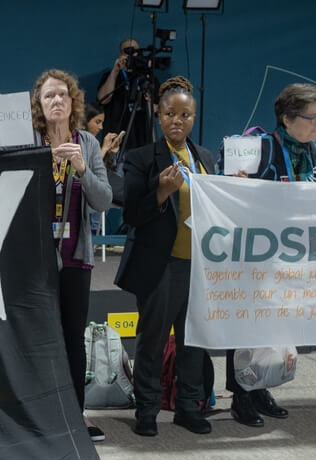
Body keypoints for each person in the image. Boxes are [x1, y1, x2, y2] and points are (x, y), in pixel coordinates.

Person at [0, 70, 112, 441]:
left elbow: (103, 199)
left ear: (73, 103)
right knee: (30, 334)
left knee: (72, 337)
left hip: (74, 257)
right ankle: (33, 413)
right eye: (49, 96)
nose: (57, 101)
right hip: (31, 259)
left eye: (63, 96)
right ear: (38, 106)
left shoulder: (86, 142)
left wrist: (83, 169)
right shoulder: (27, 141)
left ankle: (76, 414)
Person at [218, 83, 316, 427]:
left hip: (292, 255)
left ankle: (262, 386)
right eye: (312, 117)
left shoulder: (314, 149)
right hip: (254, 255)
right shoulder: (260, 147)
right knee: (247, 326)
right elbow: (225, 190)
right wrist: (235, 181)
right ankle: (241, 394)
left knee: (275, 324)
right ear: (287, 117)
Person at [115, 76, 215, 437]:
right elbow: (131, 216)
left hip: (199, 267)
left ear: (193, 117)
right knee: (153, 340)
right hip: (161, 266)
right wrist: (160, 191)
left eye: (185, 114)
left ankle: (190, 406)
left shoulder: (205, 157)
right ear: (158, 116)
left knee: (193, 342)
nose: (178, 120)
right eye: (170, 113)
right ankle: (147, 409)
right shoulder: (141, 158)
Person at [97, 38, 157, 155]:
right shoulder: (110, 76)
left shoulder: (147, 78)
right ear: (120, 54)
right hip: (115, 144)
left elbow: (159, 108)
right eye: (127, 51)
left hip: (142, 144)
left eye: (135, 51)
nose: (132, 55)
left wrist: (150, 105)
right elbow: (103, 99)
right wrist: (115, 71)